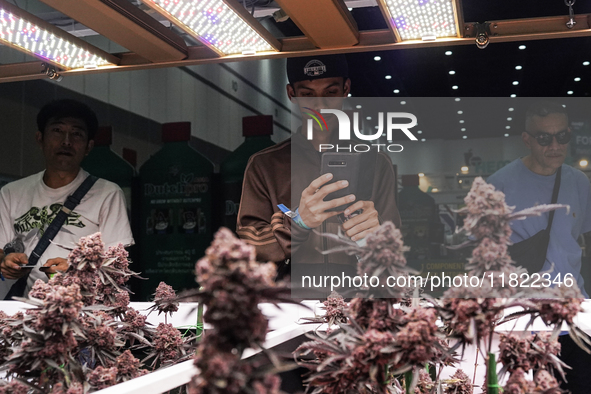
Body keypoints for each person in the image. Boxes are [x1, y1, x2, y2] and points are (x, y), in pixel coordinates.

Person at [236, 54, 401, 293]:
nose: (320, 105)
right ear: (291, 94)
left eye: (330, 92)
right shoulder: (265, 165)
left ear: (346, 88)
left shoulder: (375, 163)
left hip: (356, 300)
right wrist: (298, 223)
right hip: (289, 305)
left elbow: (395, 250)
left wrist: (374, 237)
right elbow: (248, 246)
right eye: (307, 94)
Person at [487, 100, 591, 394]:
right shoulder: (499, 185)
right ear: (527, 139)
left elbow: (585, 240)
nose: (555, 145)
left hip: (576, 313)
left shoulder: (578, 182)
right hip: (525, 314)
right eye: (544, 138)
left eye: (563, 136)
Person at [0, 99, 134, 299]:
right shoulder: (11, 192)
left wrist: (76, 269)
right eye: (57, 131)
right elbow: (1, 250)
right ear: (40, 139)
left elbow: (117, 264)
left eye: (77, 134)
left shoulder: (108, 193)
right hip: (27, 311)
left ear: (88, 147)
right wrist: (7, 261)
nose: (66, 141)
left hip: (85, 312)